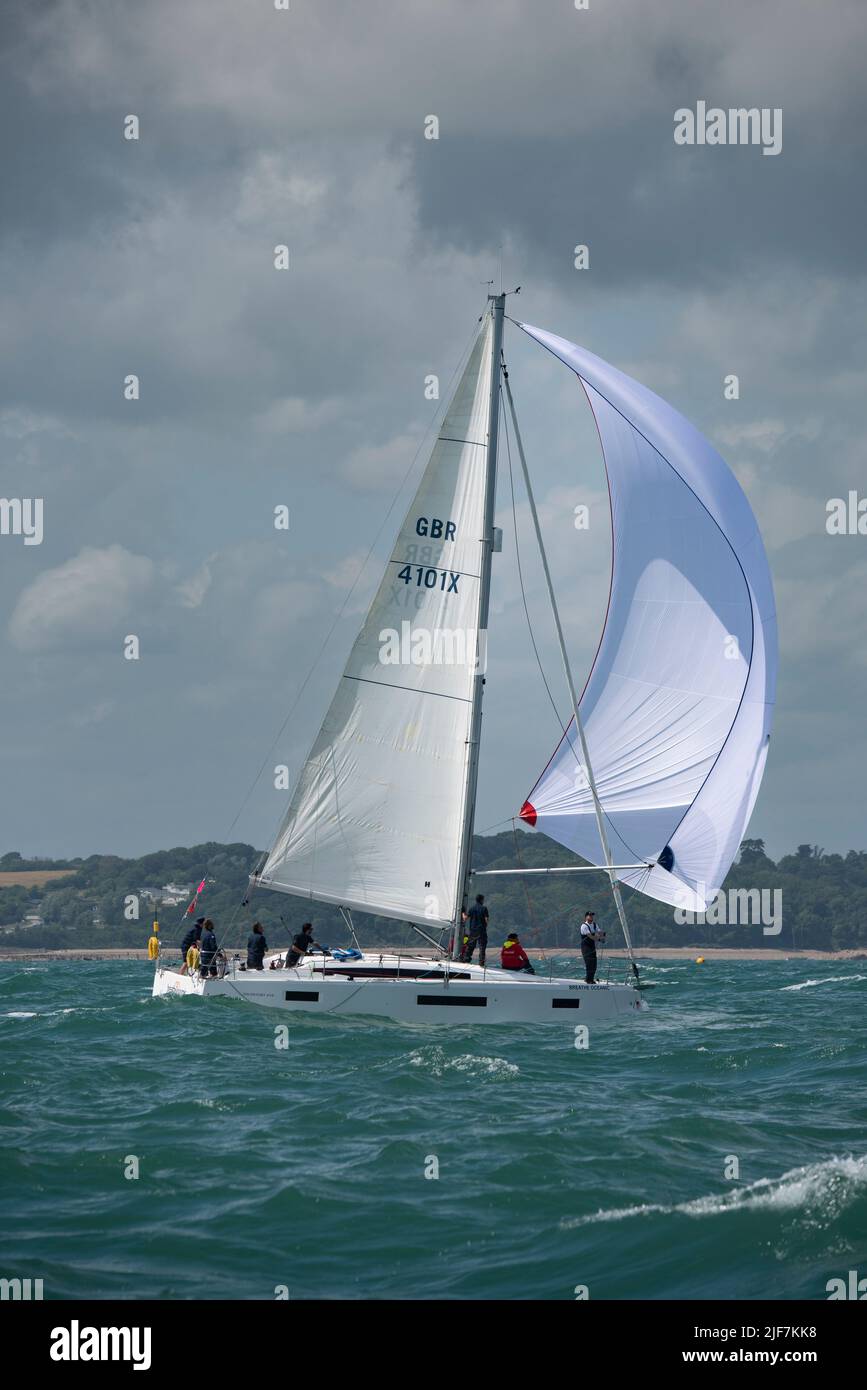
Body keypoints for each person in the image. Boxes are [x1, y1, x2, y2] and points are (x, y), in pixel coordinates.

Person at [461, 894, 489, 966]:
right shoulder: (484, 908)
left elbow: (465, 918)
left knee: (470, 946)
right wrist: (485, 924)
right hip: (482, 930)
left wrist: (463, 912)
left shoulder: (472, 908)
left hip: (473, 930)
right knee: (482, 947)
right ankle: (481, 962)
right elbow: (486, 920)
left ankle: (466, 960)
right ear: (482, 900)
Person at [579, 909, 605, 984]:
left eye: (592, 915)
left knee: (594, 963)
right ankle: (588, 979)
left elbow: (599, 931)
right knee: (589, 962)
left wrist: (603, 935)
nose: (591, 917)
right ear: (586, 917)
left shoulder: (594, 924)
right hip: (585, 947)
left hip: (592, 946)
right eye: (589, 915)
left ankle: (591, 979)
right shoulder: (584, 926)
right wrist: (599, 939)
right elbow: (590, 936)